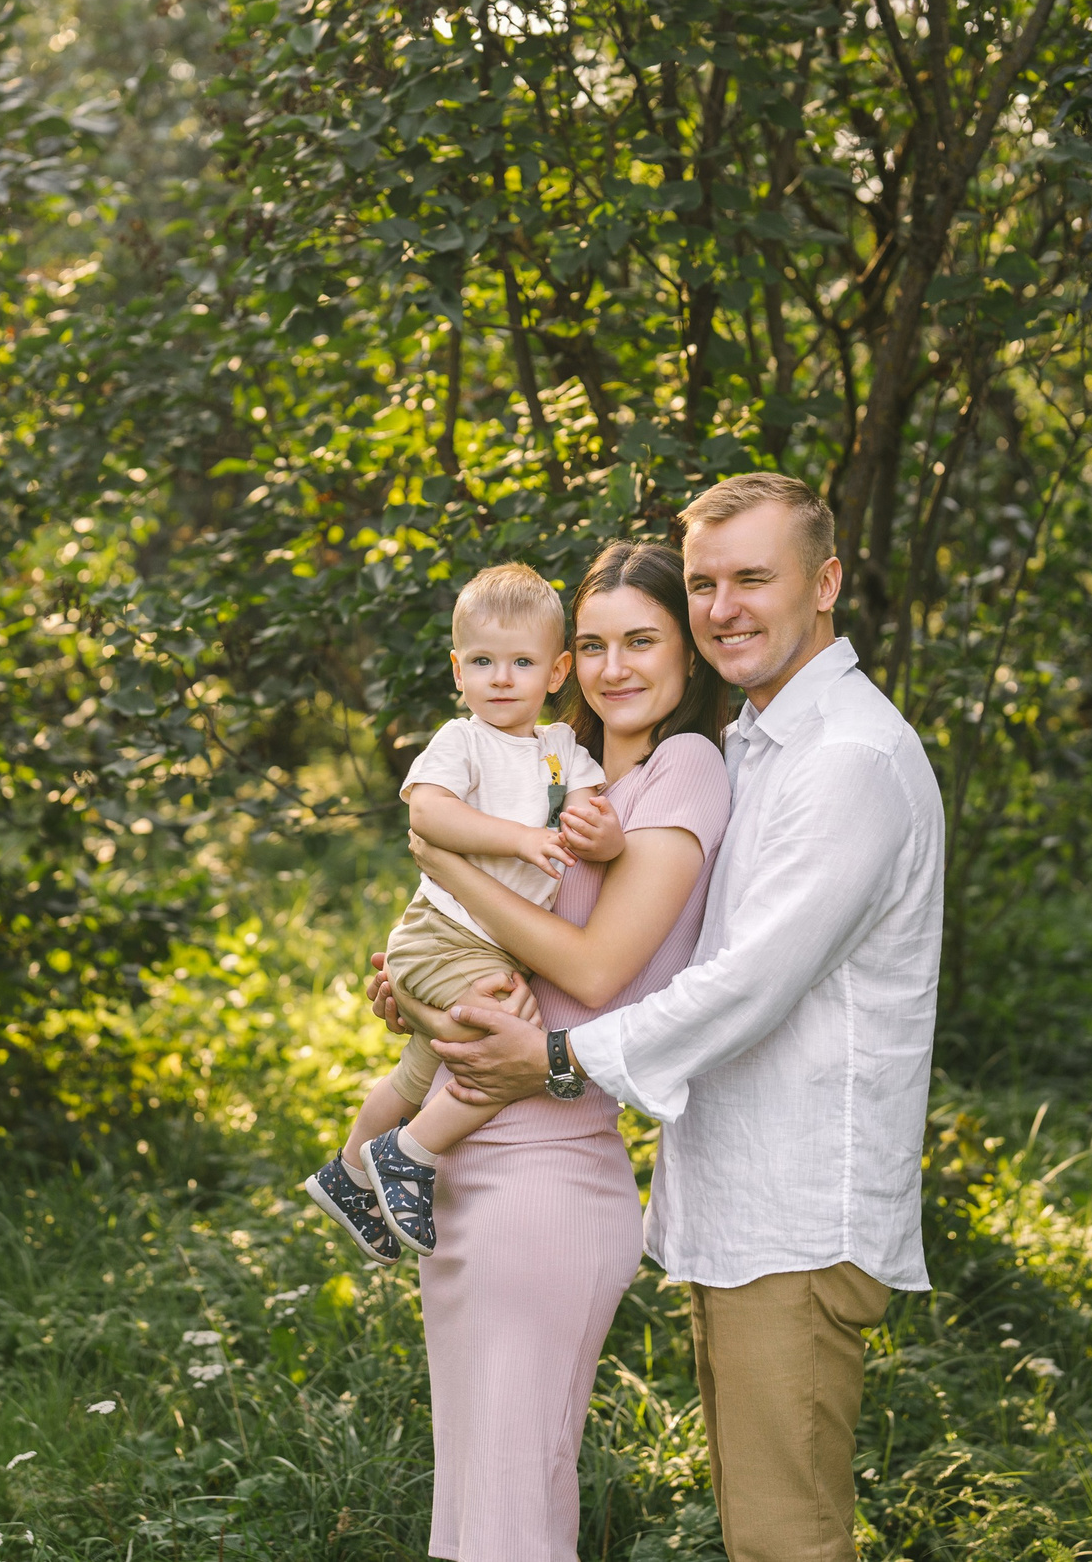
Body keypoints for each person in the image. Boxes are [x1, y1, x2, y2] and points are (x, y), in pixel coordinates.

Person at [401, 474, 945, 1562]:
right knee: (756, 1531)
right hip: (730, 1204)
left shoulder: (846, 760)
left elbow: (741, 986)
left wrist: (550, 1058)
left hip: (796, 1212)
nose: (727, 603)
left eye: (754, 577)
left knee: (785, 1542)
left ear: (826, 582)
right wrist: (440, 982)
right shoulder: (753, 745)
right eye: (707, 582)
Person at [377, 541, 733, 1562]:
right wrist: (409, 973)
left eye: (642, 641)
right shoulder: (556, 774)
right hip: (470, 1158)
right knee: (480, 1513)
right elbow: (493, 948)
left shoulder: (685, 769)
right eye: (592, 644)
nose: (615, 667)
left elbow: (587, 968)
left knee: (510, 1521)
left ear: (689, 653)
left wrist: (444, 852)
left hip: (545, 1170)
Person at [303, 563, 616, 1263]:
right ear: (457, 669)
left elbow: (598, 814)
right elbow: (429, 811)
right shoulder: (463, 740)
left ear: (557, 671)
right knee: (508, 1028)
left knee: (422, 1068)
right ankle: (410, 1152)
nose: (501, 678)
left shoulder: (562, 752)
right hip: (441, 935)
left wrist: (606, 834)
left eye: (521, 662)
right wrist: (521, 837)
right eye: (482, 661)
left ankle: (351, 1168)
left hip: (490, 944)